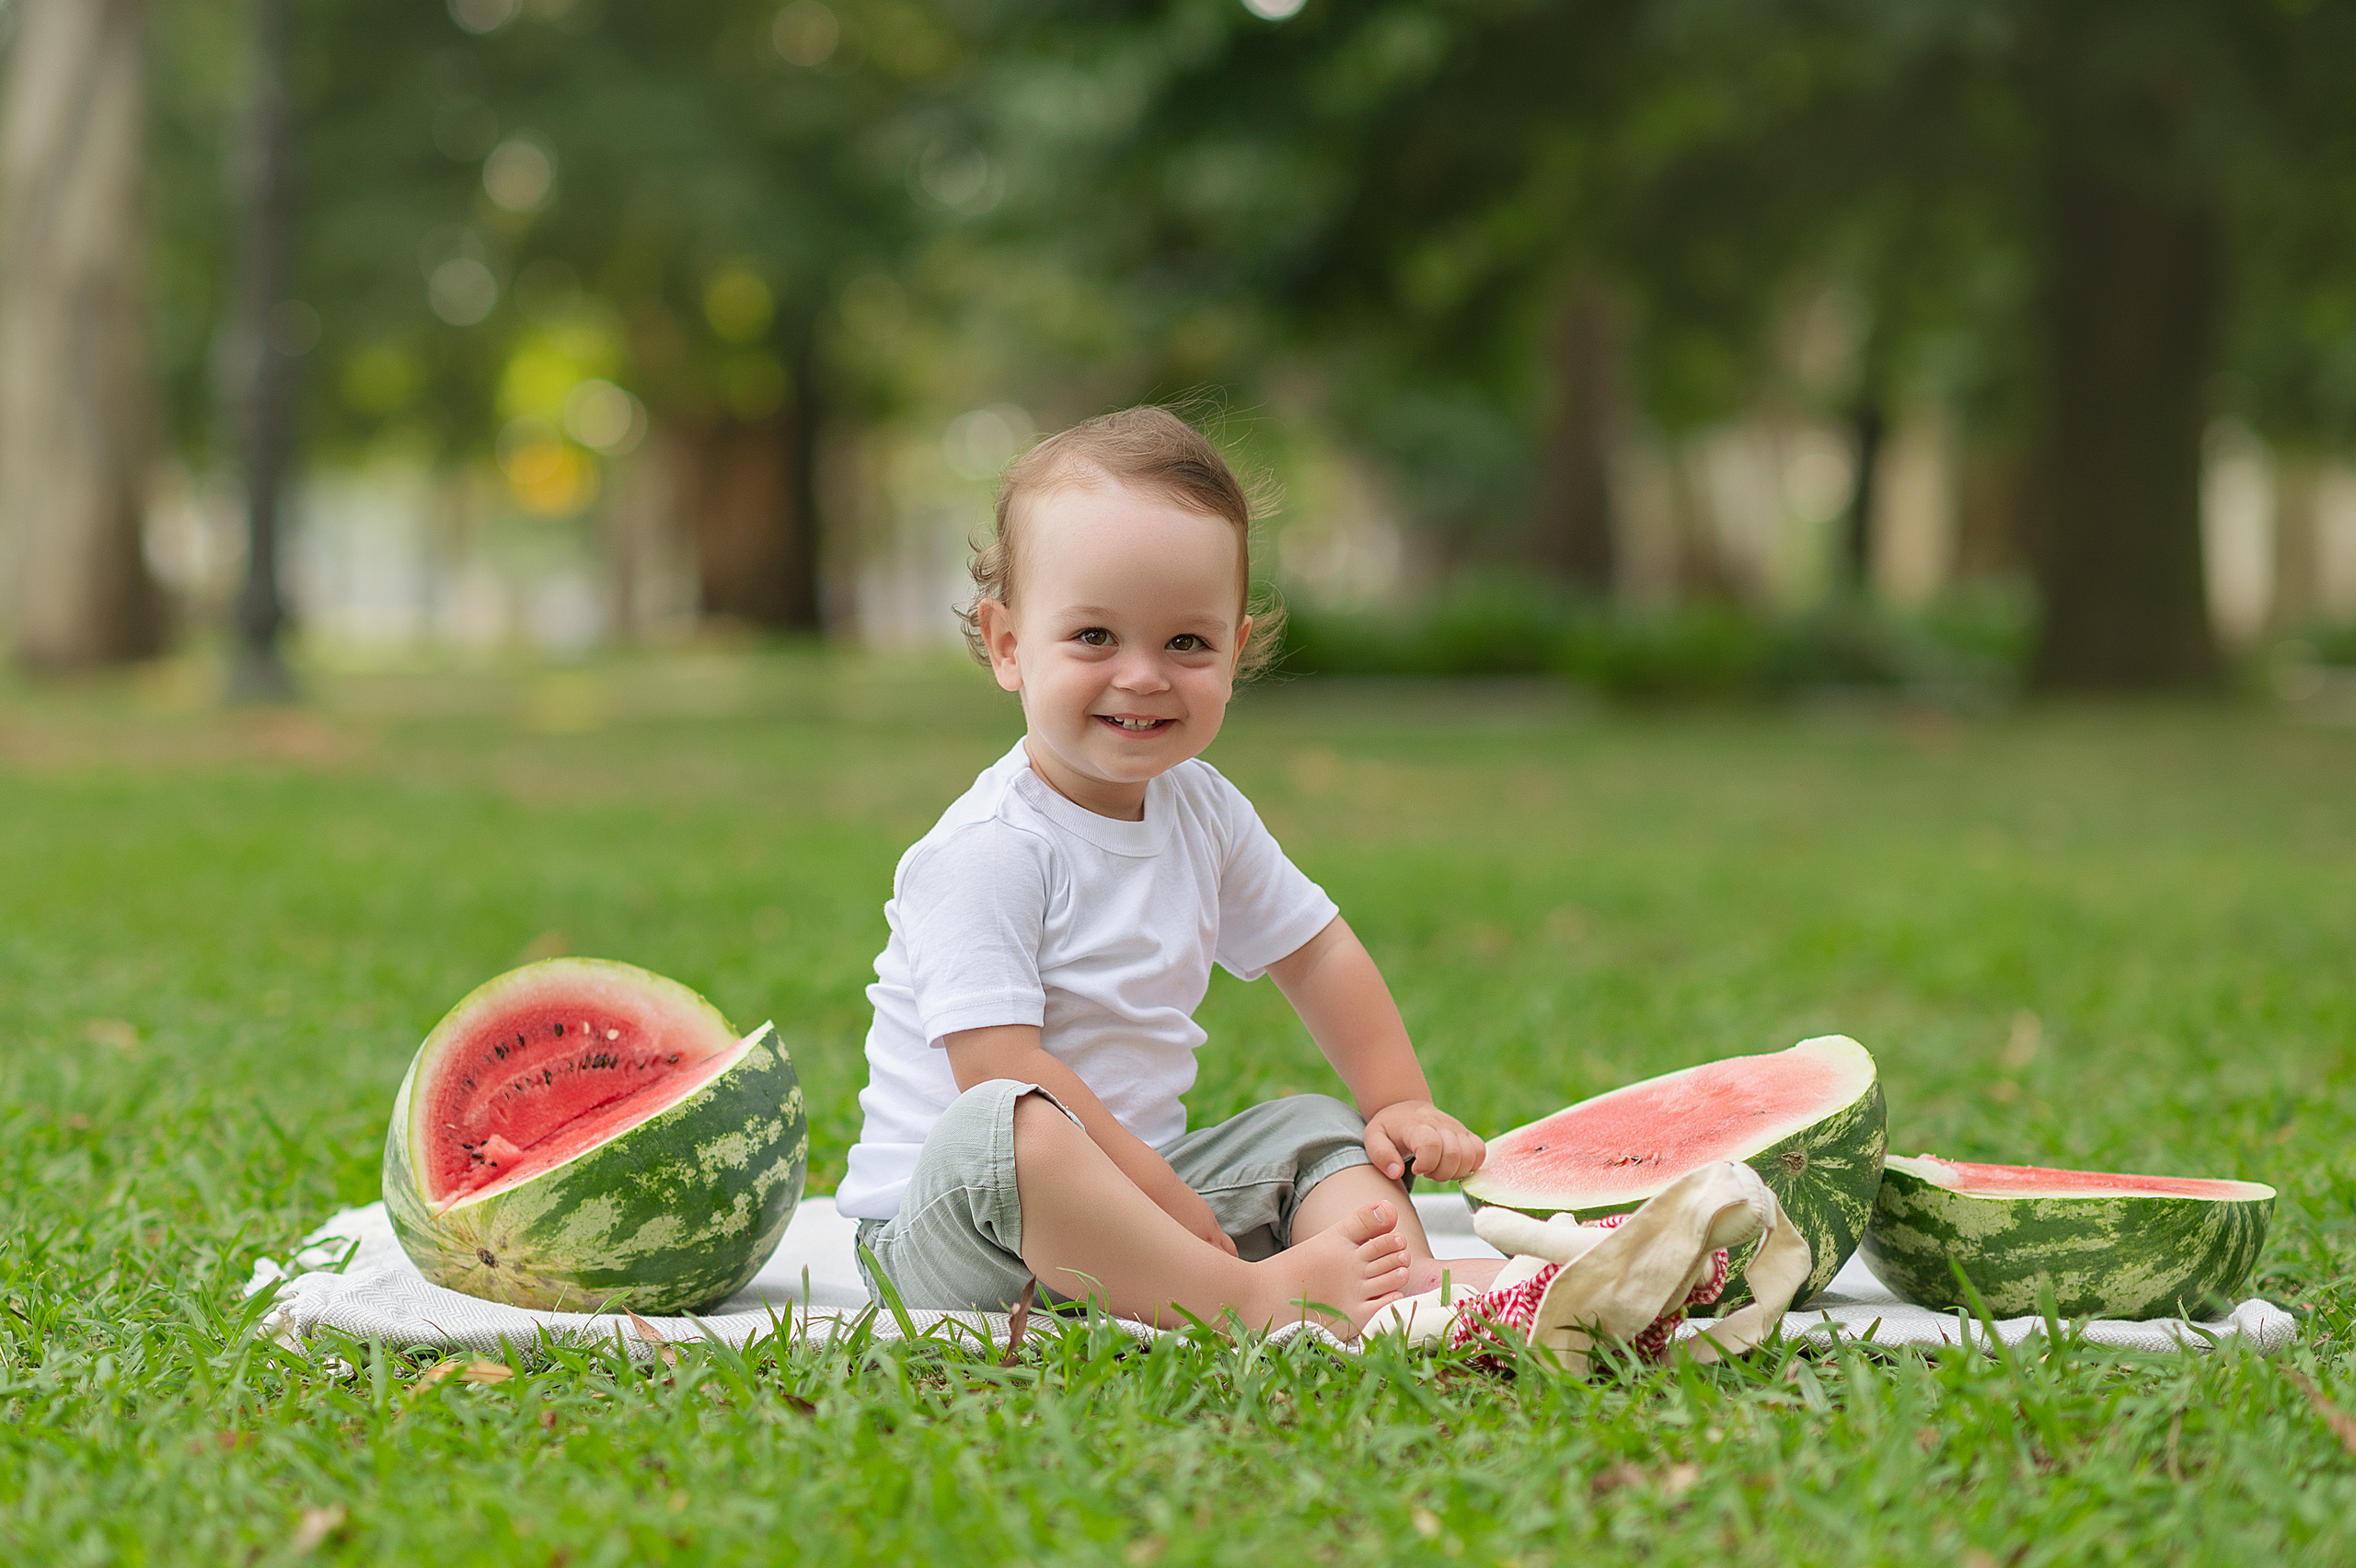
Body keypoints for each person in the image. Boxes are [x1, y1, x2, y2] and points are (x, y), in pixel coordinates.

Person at [835, 406, 1504, 1337]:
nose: (1142, 676)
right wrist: (1161, 1199)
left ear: (1234, 651)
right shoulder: (987, 849)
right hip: (952, 1229)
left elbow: (1314, 953)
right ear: (1007, 645)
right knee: (1012, 1124)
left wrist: (1397, 1100)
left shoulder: (1205, 810)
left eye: (1185, 643)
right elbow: (996, 1066)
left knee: (1310, 1126)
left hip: (1134, 1191)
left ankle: (1407, 1291)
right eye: (1095, 638)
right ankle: (1250, 1300)